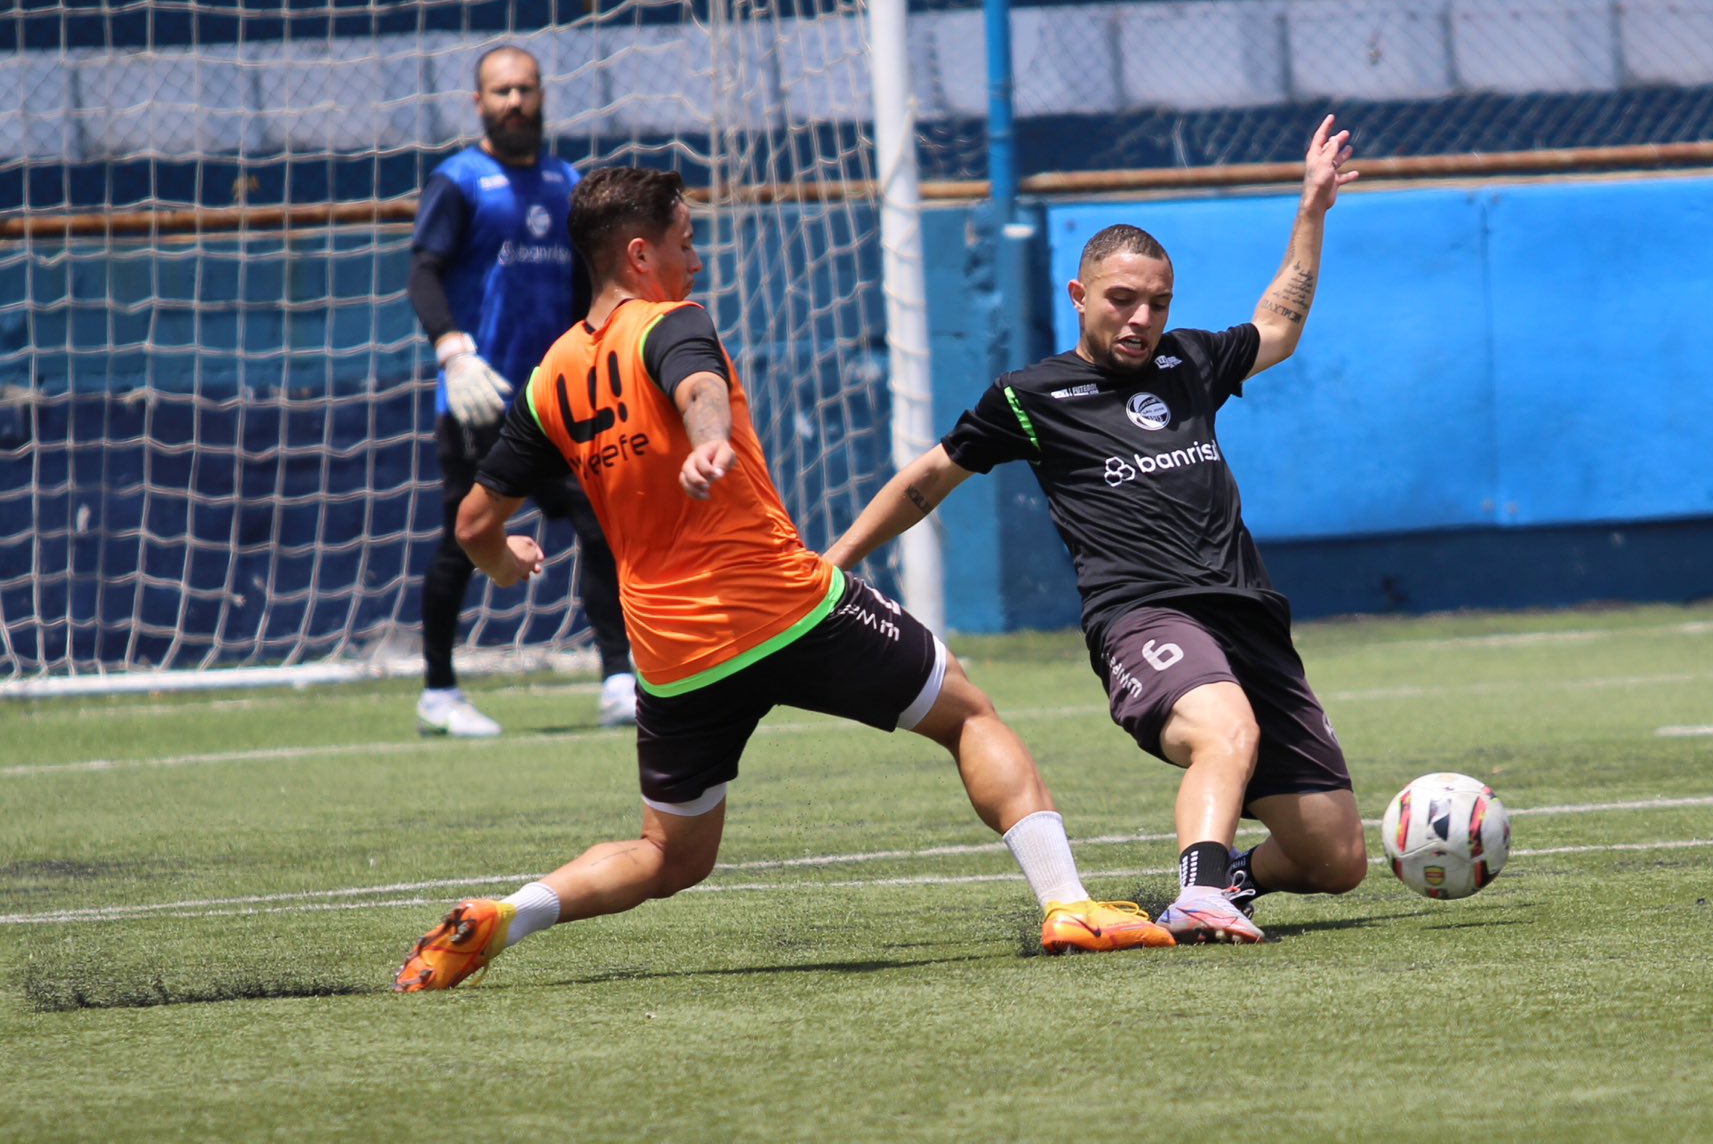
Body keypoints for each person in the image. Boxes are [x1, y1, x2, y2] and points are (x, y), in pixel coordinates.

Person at [393, 167, 1173, 991]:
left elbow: (475, 523)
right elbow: (696, 381)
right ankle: (1068, 904)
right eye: (685, 243)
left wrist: (504, 565)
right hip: (783, 607)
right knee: (969, 716)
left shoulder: (552, 376)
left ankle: (510, 914)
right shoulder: (671, 321)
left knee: (670, 855)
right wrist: (706, 437)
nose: (696, 260)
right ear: (638, 252)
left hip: (671, 651)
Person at [825, 116, 1370, 945]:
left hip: (1251, 617)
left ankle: (1234, 878)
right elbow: (925, 480)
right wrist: (833, 564)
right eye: (1122, 299)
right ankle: (1198, 895)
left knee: (1335, 859)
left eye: (1156, 302)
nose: (1141, 317)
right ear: (1079, 297)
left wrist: (1313, 208)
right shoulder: (1031, 397)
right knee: (1226, 731)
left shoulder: (1191, 364)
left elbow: (1281, 325)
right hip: (1144, 615)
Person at [408, 44, 636, 737]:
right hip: (479, 402)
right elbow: (424, 272)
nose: (515, 101)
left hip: (560, 402)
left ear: (542, 95)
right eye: (501, 91)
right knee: (465, 538)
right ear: (478, 103)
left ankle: (619, 679)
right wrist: (452, 351)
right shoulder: (459, 181)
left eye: (526, 89)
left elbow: (585, 291)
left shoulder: (568, 183)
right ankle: (440, 694)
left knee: (603, 529)